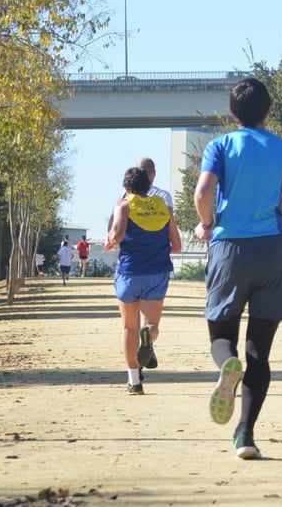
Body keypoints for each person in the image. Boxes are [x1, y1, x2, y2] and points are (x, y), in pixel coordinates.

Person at [193, 77, 282, 460]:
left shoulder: (220, 145)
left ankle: (226, 366)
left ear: (232, 114)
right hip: (272, 250)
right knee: (260, 351)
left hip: (229, 248)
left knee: (222, 335)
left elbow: (203, 193)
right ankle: (245, 435)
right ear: (269, 111)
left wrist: (207, 222)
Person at [107, 166, 182, 394]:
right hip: (157, 273)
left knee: (129, 327)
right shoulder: (162, 206)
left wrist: (110, 239)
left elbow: (118, 235)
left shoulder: (124, 206)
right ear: (149, 185)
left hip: (130, 272)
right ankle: (148, 336)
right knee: (152, 325)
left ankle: (134, 381)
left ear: (127, 188)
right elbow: (177, 247)